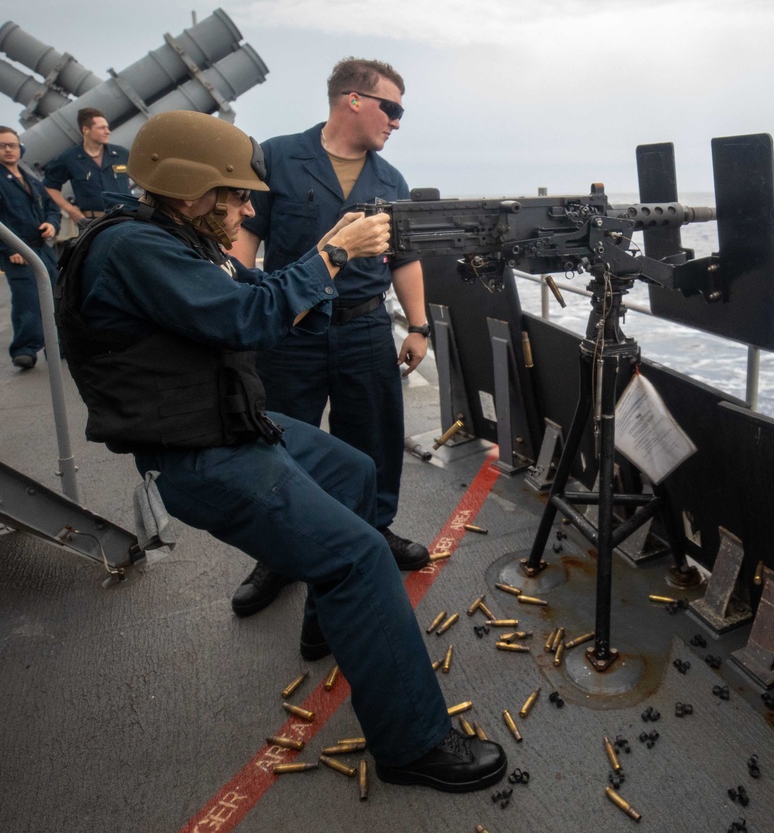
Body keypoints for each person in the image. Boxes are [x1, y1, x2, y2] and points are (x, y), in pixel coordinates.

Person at [55, 109, 506, 793]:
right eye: (233, 193)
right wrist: (333, 254)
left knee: (353, 471)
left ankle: (329, 625)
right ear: (185, 186)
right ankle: (413, 744)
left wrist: (323, 253)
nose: (243, 205)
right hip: (201, 453)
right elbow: (247, 318)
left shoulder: (172, 239)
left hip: (232, 424)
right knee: (361, 555)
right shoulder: (135, 250)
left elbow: (253, 290)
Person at [226, 57, 431, 619]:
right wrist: (239, 311)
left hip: (365, 326)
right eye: (392, 108)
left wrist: (417, 326)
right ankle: (280, 553)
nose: (396, 122)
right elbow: (246, 236)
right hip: (292, 325)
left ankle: (373, 529)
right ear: (354, 100)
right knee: (281, 439)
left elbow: (405, 259)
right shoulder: (277, 157)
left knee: (374, 438)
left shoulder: (390, 181)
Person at [0, 125, 60, 369]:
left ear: (20, 148)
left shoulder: (30, 180)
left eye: (12, 145)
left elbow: (51, 207)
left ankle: (58, 345)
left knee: (57, 295)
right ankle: (25, 349)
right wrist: (8, 250)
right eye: (2, 146)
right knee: (27, 301)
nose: (8, 150)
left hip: (42, 248)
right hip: (17, 252)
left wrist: (52, 224)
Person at [44, 107, 130, 223]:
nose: (107, 131)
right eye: (101, 128)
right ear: (86, 130)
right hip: (94, 224)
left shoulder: (122, 154)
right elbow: (49, 187)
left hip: (127, 219)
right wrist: (71, 210)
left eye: (107, 127)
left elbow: (145, 179)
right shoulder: (69, 158)